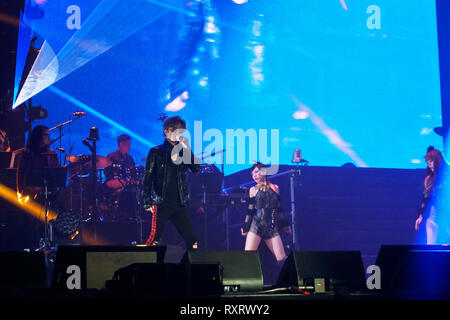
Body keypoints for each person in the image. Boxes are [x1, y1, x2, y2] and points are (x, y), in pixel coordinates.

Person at [143, 116, 200, 249]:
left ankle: (189, 268)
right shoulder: (156, 152)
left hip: (179, 203)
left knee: (192, 241)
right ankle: (145, 266)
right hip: (162, 202)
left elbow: (195, 168)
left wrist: (186, 148)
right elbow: (148, 177)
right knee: (154, 240)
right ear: (167, 131)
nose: (179, 135)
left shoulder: (183, 151)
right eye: (176, 131)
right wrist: (147, 200)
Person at [241, 162, 288, 265]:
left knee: (282, 260)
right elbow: (250, 210)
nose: (254, 176)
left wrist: (285, 224)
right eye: (253, 174)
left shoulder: (275, 188)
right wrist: (245, 226)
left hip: (271, 228)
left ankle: (288, 280)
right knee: (247, 259)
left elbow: (279, 208)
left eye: (256, 172)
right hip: (256, 226)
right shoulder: (253, 190)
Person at [16, 125, 59, 199]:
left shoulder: (52, 153)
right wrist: (20, 191)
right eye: (46, 135)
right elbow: (20, 173)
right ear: (38, 137)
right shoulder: (28, 153)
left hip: (49, 194)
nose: (49, 137)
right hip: (31, 194)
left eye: (49, 135)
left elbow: (56, 173)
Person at [415, 146, 444, 244]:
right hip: (434, 213)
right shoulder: (429, 179)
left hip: (445, 211)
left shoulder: (446, 176)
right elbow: (425, 198)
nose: (429, 164)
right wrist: (420, 216)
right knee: (431, 243)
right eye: (427, 162)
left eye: (431, 161)